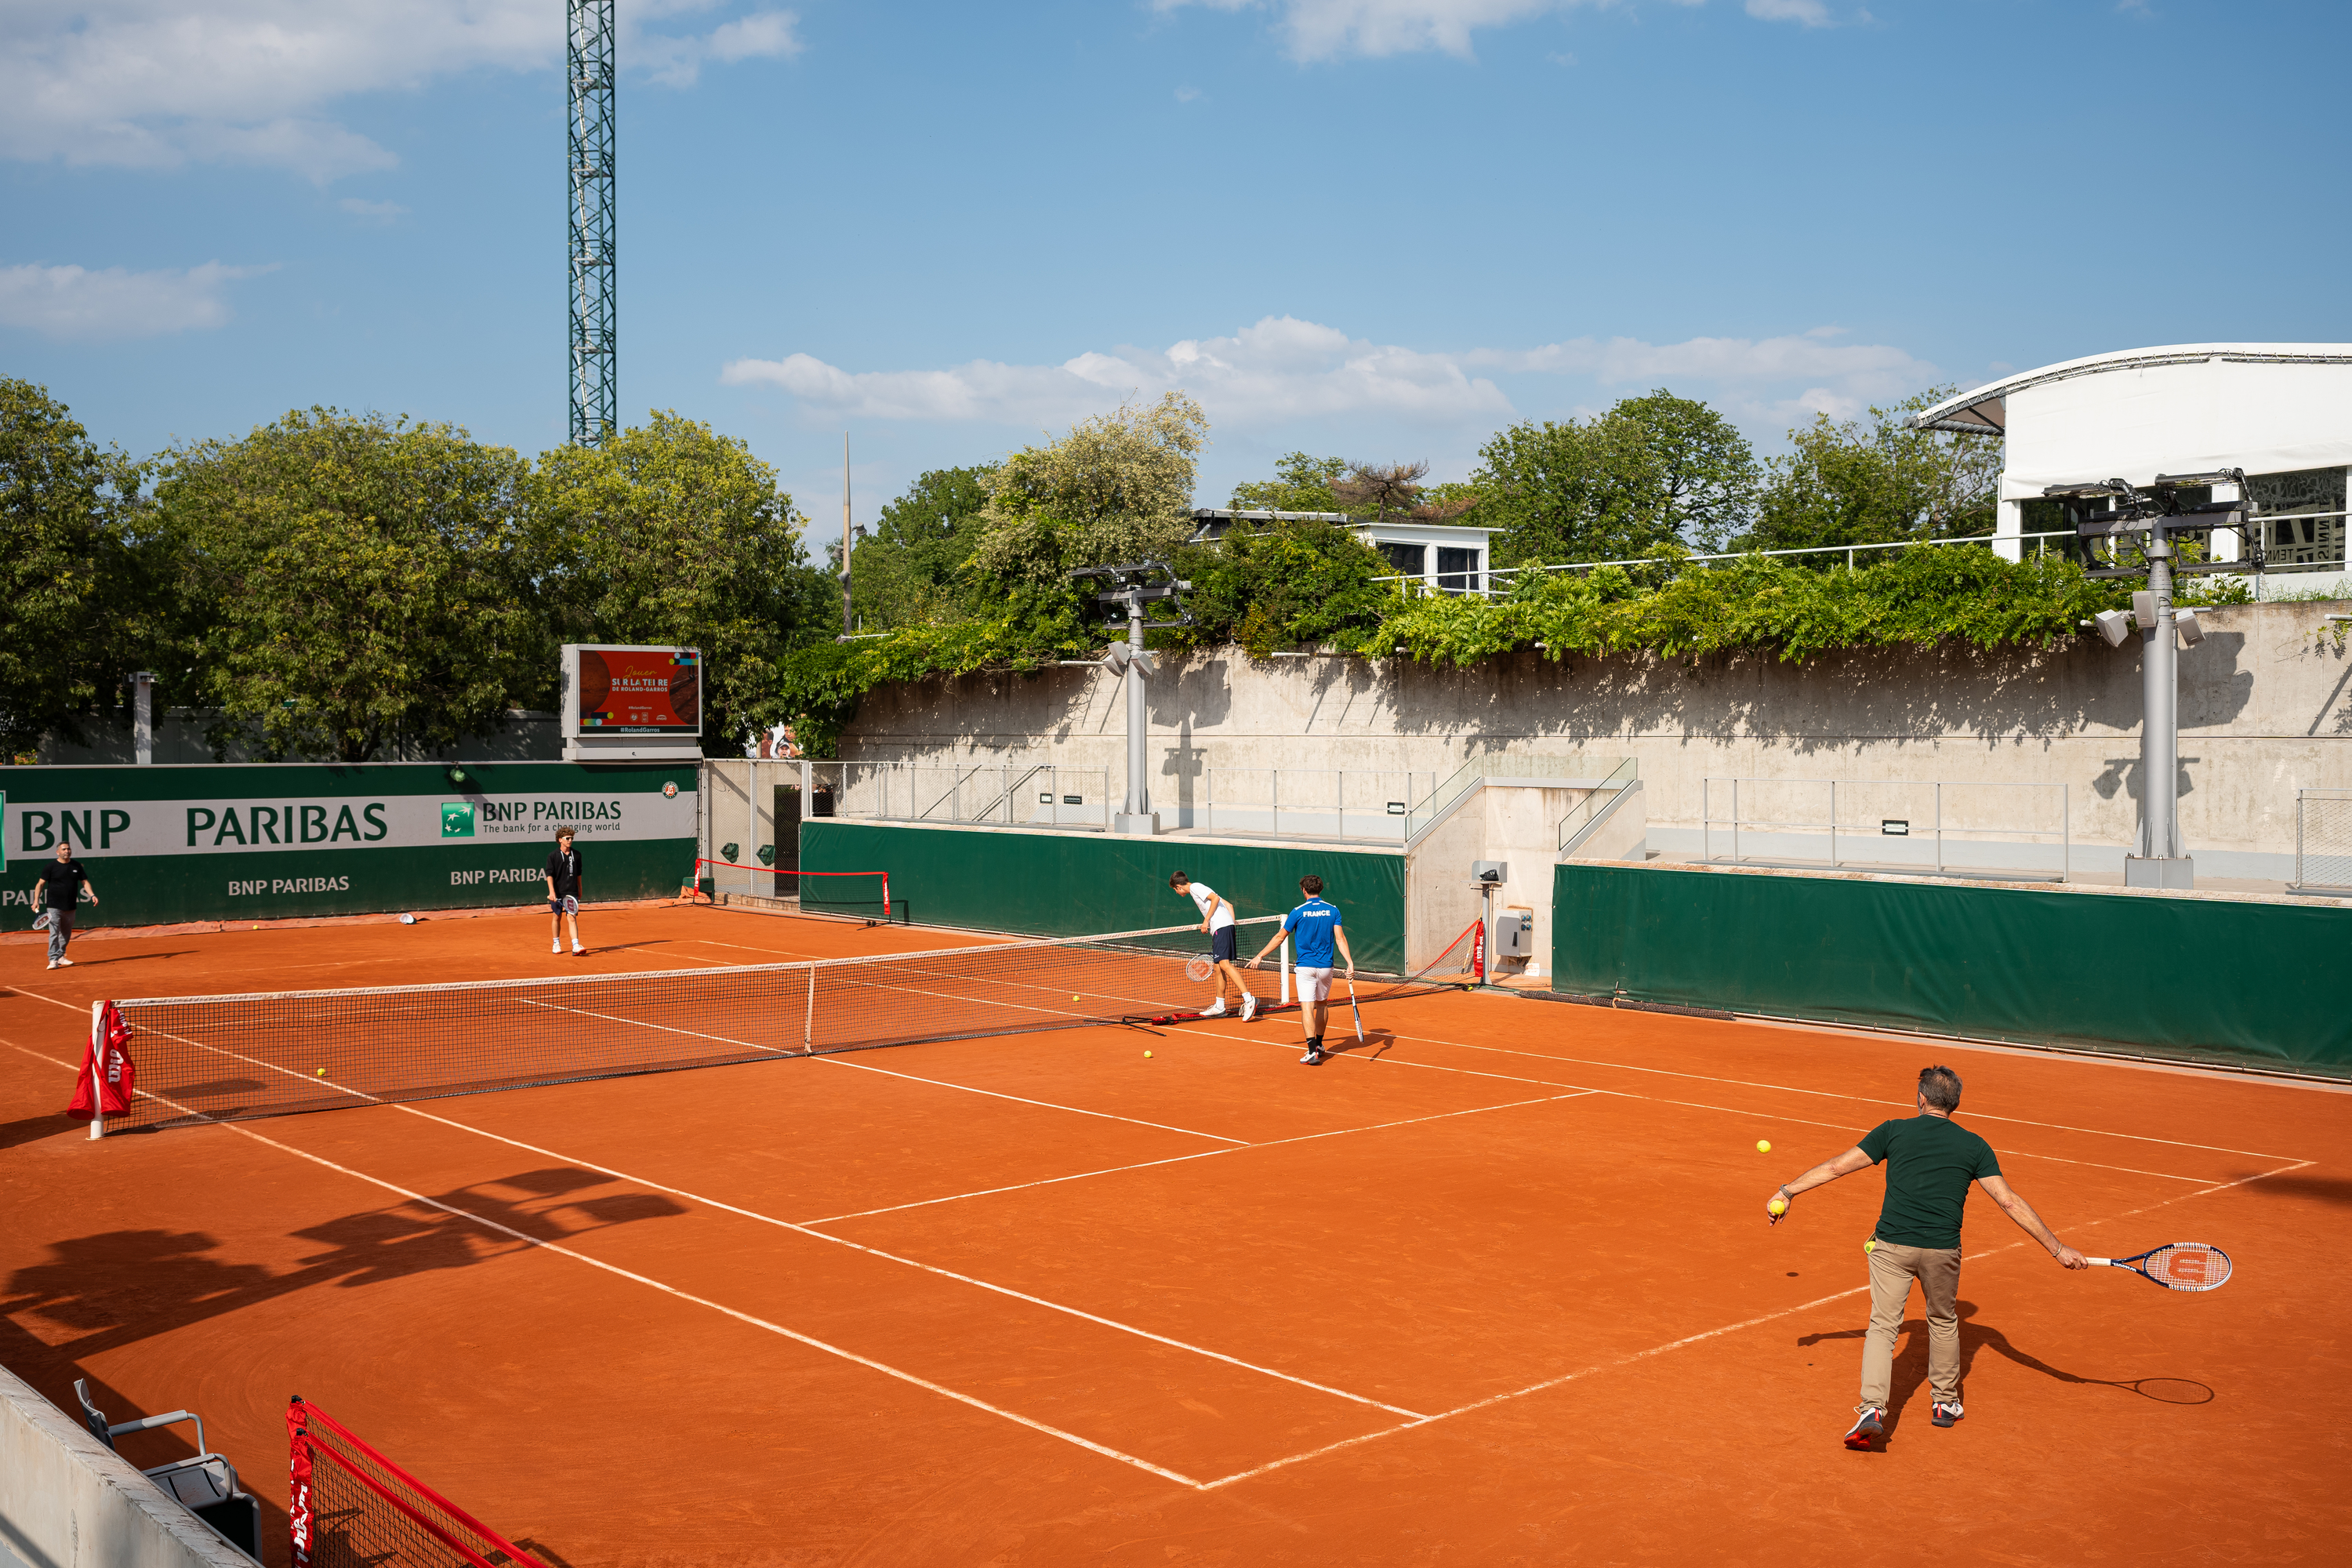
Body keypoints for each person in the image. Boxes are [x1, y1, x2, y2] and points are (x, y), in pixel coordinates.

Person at [1767, 1064, 2088, 1450]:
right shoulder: (1975, 1145)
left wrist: (1788, 1191)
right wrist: (2057, 1248)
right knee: (1943, 1320)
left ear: (1921, 1098)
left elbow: (1837, 1167)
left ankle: (1872, 1409)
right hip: (1942, 1252)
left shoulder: (1893, 1130)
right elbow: (2008, 1200)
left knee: (1883, 1327)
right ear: (1954, 1104)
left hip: (1891, 1249)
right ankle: (1945, 1403)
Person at [1249, 874, 1352, 1065]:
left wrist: (1260, 956)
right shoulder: (1333, 910)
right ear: (1320, 890)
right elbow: (1340, 939)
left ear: (1304, 891)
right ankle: (1320, 1045)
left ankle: (1312, 1051)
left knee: (1307, 1007)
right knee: (1322, 1004)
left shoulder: (1297, 912)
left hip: (1305, 967)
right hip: (1326, 968)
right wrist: (1350, 963)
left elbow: (1280, 938)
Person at [1170, 871, 1256, 1022]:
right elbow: (1229, 905)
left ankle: (1249, 999)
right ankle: (1219, 1006)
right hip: (1223, 927)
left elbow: (1215, 898)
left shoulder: (1196, 887)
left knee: (1224, 964)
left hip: (1221, 927)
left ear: (1178, 887)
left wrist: (1207, 920)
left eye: (1175, 890)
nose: (1176, 893)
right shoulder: (1198, 890)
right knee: (1217, 967)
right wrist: (1232, 925)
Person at [31, 842, 97, 970]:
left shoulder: (76, 866)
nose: (67, 851)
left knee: (66, 934)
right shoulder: (50, 867)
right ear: (58, 852)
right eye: (64, 849)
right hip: (54, 906)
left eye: (68, 849)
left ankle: (60, 955)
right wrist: (36, 901)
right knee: (54, 933)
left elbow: (85, 882)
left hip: (70, 906)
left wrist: (92, 895)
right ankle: (53, 959)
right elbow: (40, 884)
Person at [546, 827, 586, 955]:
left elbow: (579, 873)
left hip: (572, 892)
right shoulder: (553, 856)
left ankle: (575, 945)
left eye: (571, 838)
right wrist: (552, 891)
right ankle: (556, 943)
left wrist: (580, 888)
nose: (570, 841)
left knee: (572, 917)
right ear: (560, 840)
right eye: (567, 838)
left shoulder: (577, 855)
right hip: (557, 892)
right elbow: (549, 875)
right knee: (557, 916)